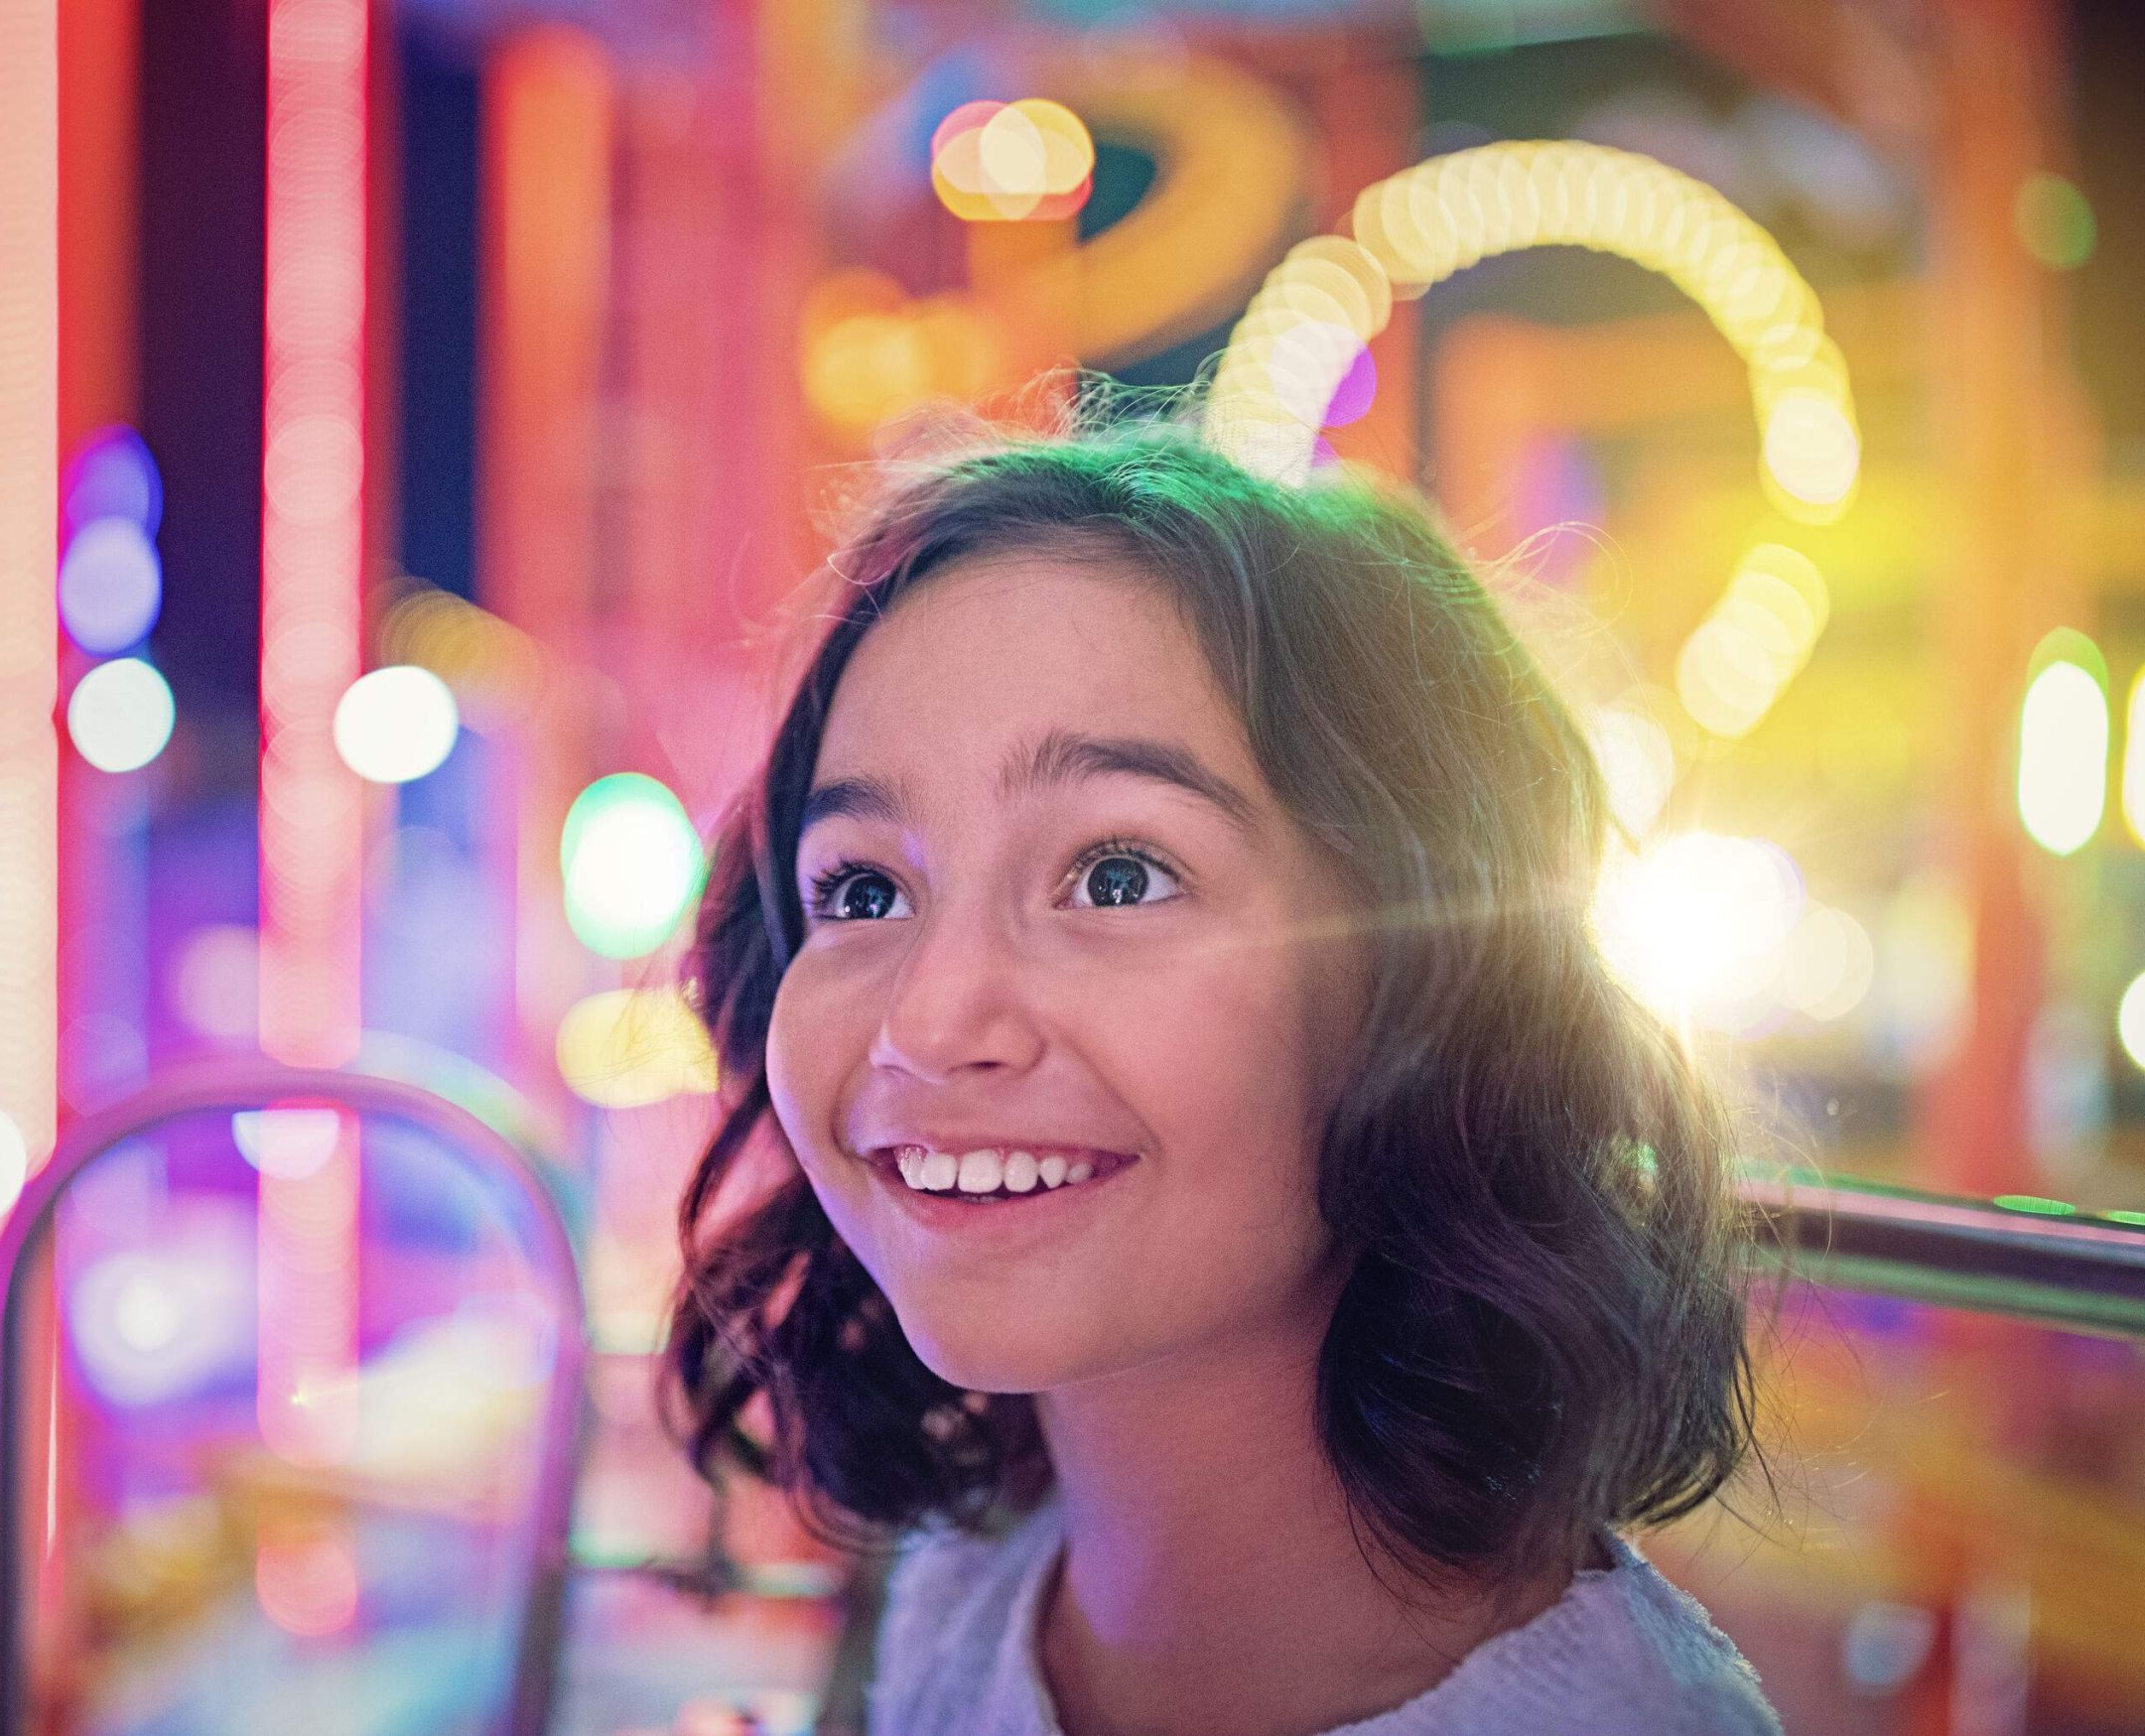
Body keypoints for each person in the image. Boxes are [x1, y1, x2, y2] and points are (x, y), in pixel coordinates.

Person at [658, 405, 1782, 1736]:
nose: (933, 1015)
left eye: (1117, 874)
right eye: (860, 887)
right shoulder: (966, 1588)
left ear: (1426, 970)